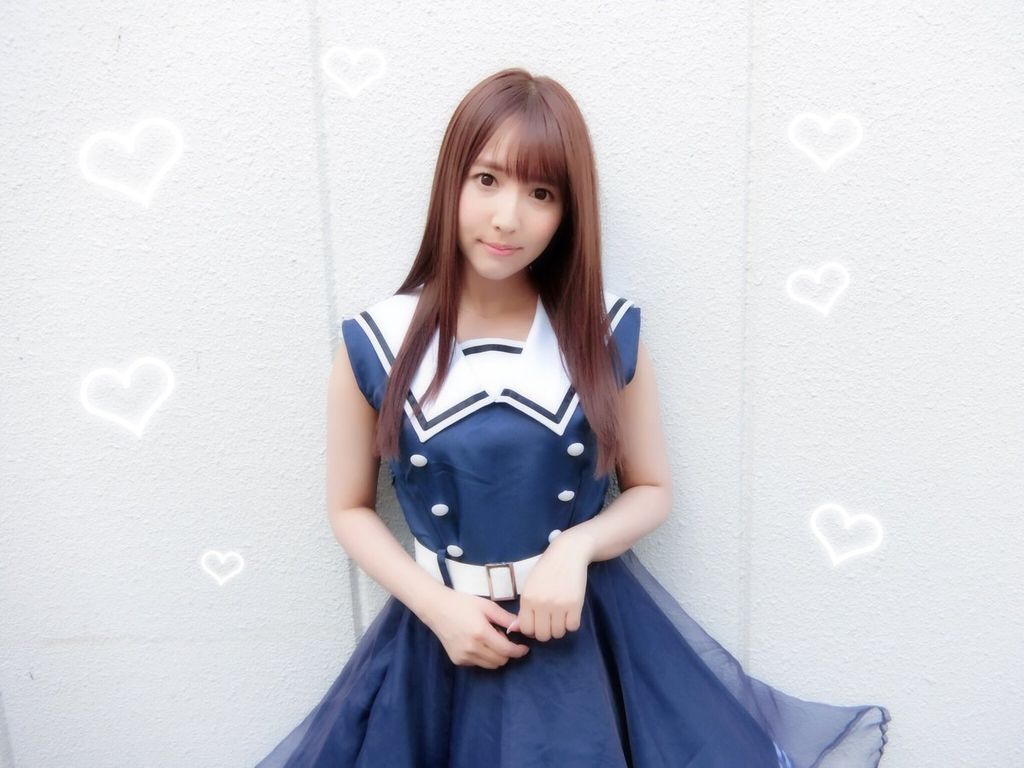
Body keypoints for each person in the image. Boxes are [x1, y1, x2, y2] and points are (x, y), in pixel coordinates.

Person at [256, 68, 891, 767]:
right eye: (487, 179)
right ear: (450, 183)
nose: (508, 218)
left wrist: (575, 549)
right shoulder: (377, 340)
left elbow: (653, 490)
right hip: (441, 643)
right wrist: (436, 606)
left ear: (567, 212)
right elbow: (348, 507)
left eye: (541, 193)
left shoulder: (603, 332)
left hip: (583, 642)